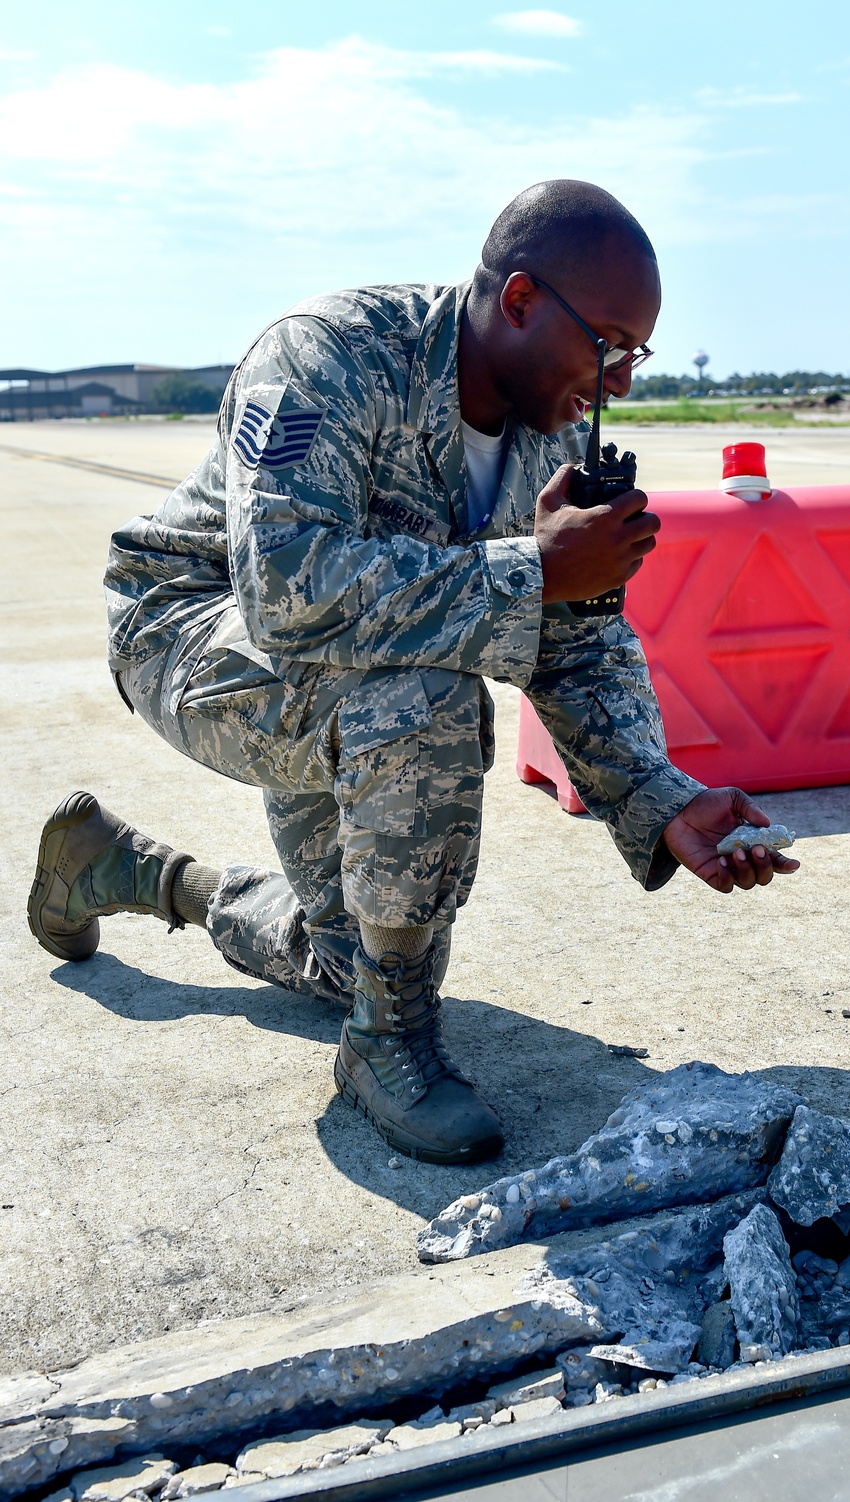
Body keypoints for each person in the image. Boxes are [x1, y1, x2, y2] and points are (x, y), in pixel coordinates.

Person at [28, 180, 799, 1166]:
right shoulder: (324, 357)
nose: (624, 384)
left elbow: (576, 635)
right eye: (610, 346)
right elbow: (287, 591)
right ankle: (389, 1042)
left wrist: (654, 794)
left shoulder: (558, 429)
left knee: (347, 956)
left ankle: (128, 868)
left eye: (634, 354)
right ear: (521, 301)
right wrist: (531, 570)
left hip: (352, 668)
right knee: (427, 694)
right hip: (192, 625)